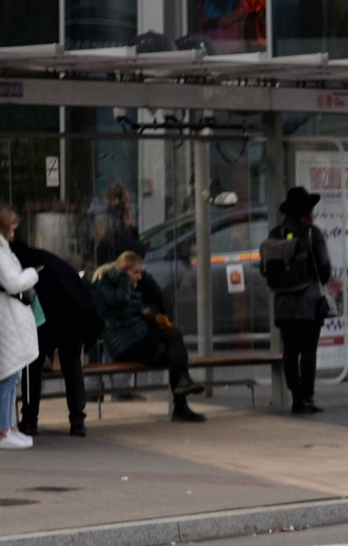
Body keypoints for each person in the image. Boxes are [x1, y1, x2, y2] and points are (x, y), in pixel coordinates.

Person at [92, 250, 206, 422]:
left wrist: (145, 277)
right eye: (135, 272)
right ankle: (181, 400)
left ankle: (182, 399)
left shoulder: (135, 284)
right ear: (122, 270)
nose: (138, 276)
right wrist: (123, 279)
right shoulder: (105, 285)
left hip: (138, 339)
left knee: (173, 351)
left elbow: (156, 296)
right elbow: (120, 299)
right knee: (173, 339)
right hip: (122, 344)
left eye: (141, 272)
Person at [14, 228, 103, 437]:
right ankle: (78, 421)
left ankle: (29, 420)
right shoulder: (47, 259)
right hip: (73, 316)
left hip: (49, 319)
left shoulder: (25, 264)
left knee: (32, 368)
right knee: (72, 367)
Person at [268, 185, 335, 417]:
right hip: (309, 301)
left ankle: (295, 397)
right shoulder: (311, 233)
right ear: (307, 211)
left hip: (283, 303)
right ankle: (307, 396)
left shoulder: (275, 234)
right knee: (308, 351)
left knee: (289, 350)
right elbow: (325, 267)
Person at [0, 205, 43, 449]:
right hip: (5, 317)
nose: (15, 229)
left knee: (13, 373)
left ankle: (10, 426)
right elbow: (12, 282)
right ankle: (3, 430)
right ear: (4, 224)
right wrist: (32, 274)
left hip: (7, 316)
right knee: (8, 375)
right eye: (13, 224)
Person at [90, 182, 140, 267]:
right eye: (127, 202)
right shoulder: (111, 220)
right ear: (117, 202)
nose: (129, 206)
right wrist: (130, 228)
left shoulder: (99, 216)